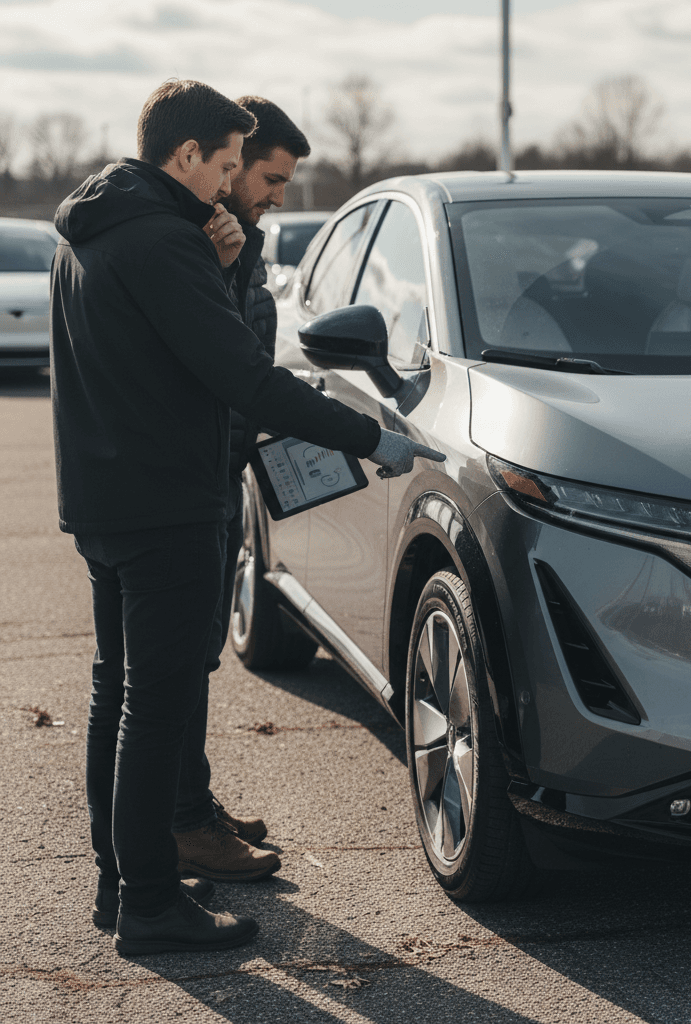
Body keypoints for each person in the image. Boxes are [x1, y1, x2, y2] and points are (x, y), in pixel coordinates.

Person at [50, 79, 442, 956]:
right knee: (156, 705)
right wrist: (374, 440)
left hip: (104, 501)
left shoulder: (86, 233)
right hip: (171, 503)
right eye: (227, 164)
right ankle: (152, 903)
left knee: (118, 694)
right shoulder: (165, 240)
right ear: (184, 155)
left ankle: (119, 887)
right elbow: (247, 379)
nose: (231, 183)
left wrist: (224, 262)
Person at [171, 96, 312, 885]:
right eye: (264, 177)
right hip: (190, 485)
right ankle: (185, 825)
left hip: (220, 474)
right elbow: (220, 359)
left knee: (197, 664)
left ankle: (193, 804)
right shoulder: (195, 243)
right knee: (176, 670)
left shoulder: (235, 241)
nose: (275, 196)